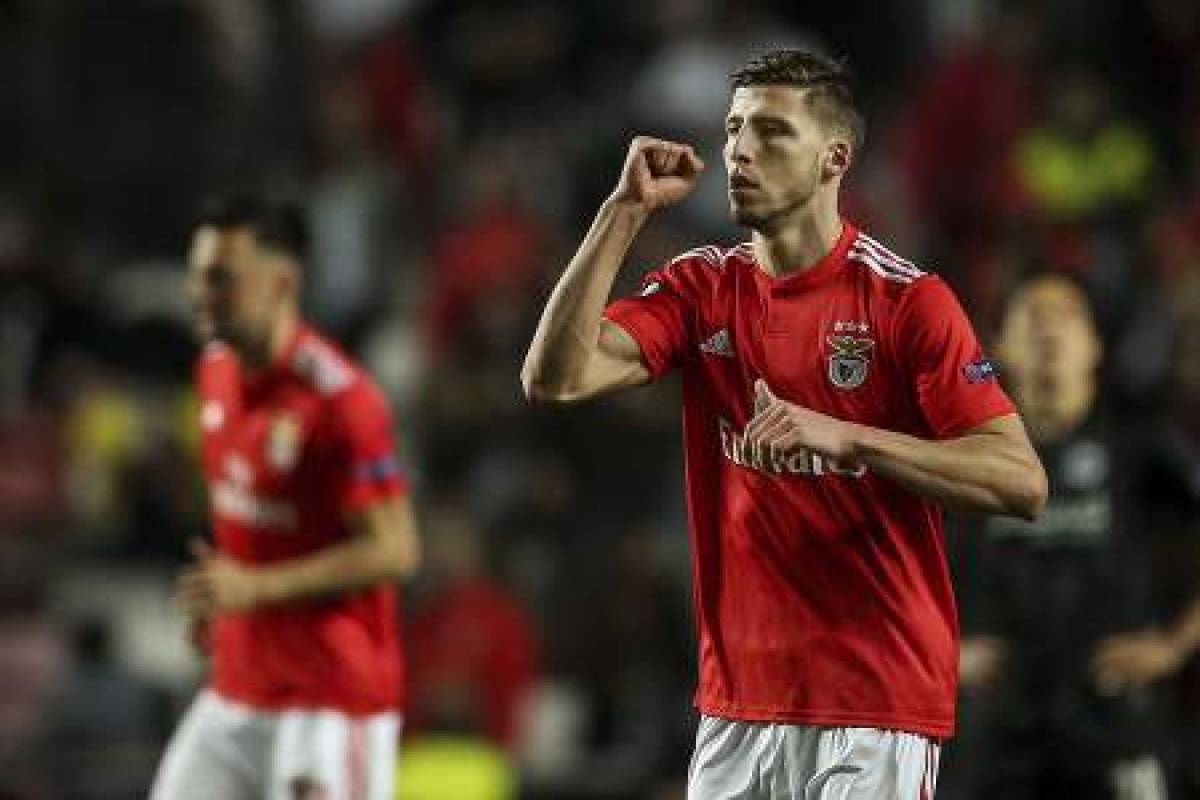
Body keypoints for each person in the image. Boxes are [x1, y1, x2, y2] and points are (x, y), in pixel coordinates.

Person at [521, 48, 1047, 798]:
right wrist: (623, 212)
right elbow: (555, 377)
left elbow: (1022, 481)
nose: (739, 151)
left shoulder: (907, 302)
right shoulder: (704, 287)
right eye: (734, 129)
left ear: (835, 158)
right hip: (736, 704)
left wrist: (848, 435)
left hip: (873, 701)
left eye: (771, 133)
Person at [150, 193, 421, 800]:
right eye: (196, 275)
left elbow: (396, 551)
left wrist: (253, 588)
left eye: (220, 278)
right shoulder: (215, 371)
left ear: (281, 281)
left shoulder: (342, 402)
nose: (199, 292)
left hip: (330, 701)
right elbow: (254, 519)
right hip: (237, 687)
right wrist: (222, 600)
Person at [943, 274, 1169, 800]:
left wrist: (1172, 646)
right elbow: (870, 560)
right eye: (1033, 318)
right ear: (1001, 347)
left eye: (1064, 316)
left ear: (1096, 346)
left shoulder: (1140, 449)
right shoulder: (956, 451)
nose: (1049, 331)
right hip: (994, 731)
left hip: (1113, 723)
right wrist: (937, 655)